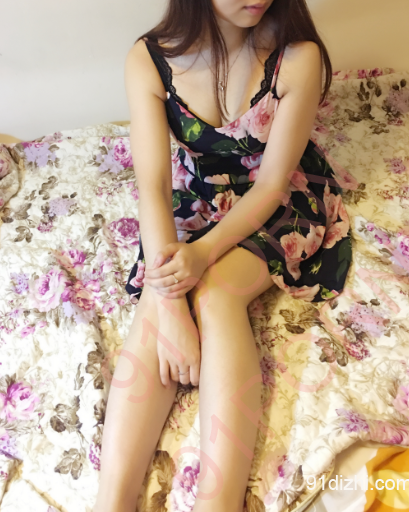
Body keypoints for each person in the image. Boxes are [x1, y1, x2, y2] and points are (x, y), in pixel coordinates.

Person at [93, 1, 352, 511]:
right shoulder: (149, 59)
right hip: (199, 194)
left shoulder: (296, 56)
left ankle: (220, 503)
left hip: (280, 197)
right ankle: (111, 502)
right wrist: (169, 304)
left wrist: (203, 255)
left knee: (215, 292)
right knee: (160, 295)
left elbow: (272, 184)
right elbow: (153, 186)